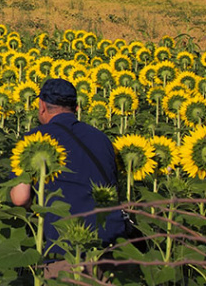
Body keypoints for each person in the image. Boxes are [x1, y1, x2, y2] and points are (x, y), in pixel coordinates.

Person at [9, 78, 126, 272]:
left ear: (42, 107)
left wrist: (39, 208)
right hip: (107, 246)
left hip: (63, 250)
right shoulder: (103, 139)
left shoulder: (34, 142)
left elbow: (20, 198)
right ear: (77, 107)